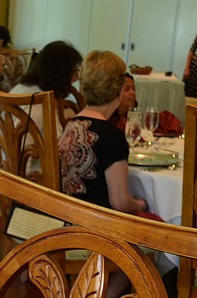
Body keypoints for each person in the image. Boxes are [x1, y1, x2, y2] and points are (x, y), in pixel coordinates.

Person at [59, 50, 147, 214]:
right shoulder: (112, 137)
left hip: (67, 218)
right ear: (119, 91)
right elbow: (120, 203)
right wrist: (141, 204)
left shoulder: (71, 125)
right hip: (97, 228)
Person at [0, 40, 82, 165]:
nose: (76, 79)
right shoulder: (39, 108)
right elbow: (24, 162)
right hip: (15, 178)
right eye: (74, 73)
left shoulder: (21, 89)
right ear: (60, 75)